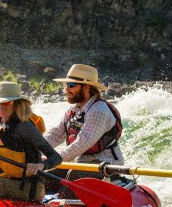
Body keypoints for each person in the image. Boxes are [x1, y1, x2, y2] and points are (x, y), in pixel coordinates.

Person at [44, 64, 124, 197]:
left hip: (106, 167)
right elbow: (54, 135)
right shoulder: (72, 111)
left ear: (86, 87)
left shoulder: (99, 111)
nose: (66, 89)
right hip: (82, 164)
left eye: (71, 85)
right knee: (43, 176)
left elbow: (82, 143)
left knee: (75, 175)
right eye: (66, 85)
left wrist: (51, 159)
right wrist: (33, 149)